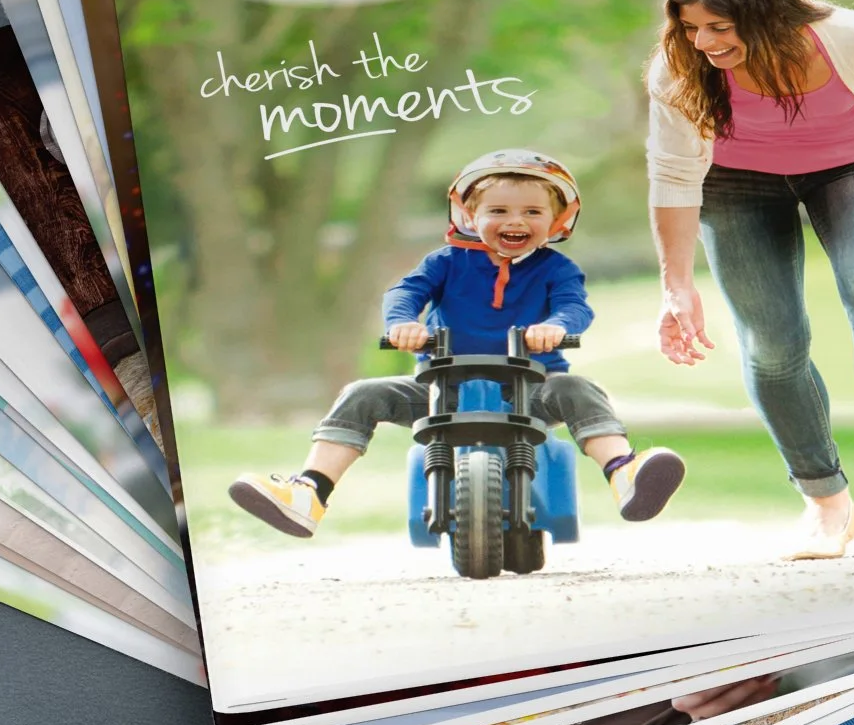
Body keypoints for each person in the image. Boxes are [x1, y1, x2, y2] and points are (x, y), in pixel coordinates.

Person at [644, 0, 854, 560]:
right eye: (693, 28)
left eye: (718, 26)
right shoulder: (680, 69)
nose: (703, 43)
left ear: (770, 18)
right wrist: (677, 286)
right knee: (771, 341)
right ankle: (827, 505)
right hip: (735, 184)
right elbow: (673, 175)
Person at [229, 149, 686, 537]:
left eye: (532, 212)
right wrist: (403, 322)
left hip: (531, 388)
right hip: (438, 390)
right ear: (470, 215)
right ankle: (309, 492)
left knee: (580, 390)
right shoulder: (446, 262)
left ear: (557, 219)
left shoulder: (556, 268)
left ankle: (623, 472)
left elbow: (575, 307)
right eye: (499, 211)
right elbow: (404, 292)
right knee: (361, 394)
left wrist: (556, 325)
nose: (516, 221)